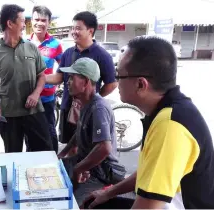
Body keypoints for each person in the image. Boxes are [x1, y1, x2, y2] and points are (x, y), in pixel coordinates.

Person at [81, 36, 214, 209]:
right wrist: (109, 192)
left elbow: (148, 206)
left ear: (140, 84)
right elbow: (150, 173)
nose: (115, 81)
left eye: (119, 75)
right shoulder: (164, 110)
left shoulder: (170, 126)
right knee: (95, 203)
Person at [0, 4, 53, 153]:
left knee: (44, 150)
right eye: (22, 21)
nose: (25, 25)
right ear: (10, 23)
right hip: (9, 115)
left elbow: (42, 76)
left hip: (34, 111)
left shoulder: (31, 47)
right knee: (12, 154)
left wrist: (36, 94)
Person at [46, 11, 117, 148]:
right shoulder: (68, 53)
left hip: (89, 113)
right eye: (73, 28)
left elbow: (112, 84)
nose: (74, 32)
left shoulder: (102, 55)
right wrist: (41, 78)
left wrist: (93, 99)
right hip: (69, 109)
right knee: (70, 147)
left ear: (90, 31)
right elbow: (59, 76)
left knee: (86, 148)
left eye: (78, 28)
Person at [58, 57, 124, 202]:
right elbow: (79, 132)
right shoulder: (84, 102)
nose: (67, 82)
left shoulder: (98, 108)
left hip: (101, 172)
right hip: (86, 162)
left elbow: (104, 148)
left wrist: (78, 169)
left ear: (86, 82)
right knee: (54, 170)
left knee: (75, 201)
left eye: (72, 78)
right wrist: (63, 152)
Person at [26, 5, 63, 153]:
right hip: (27, 99)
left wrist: (43, 79)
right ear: (31, 21)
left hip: (47, 100)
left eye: (44, 20)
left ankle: (53, 162)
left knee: (49, 134)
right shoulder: (23, 43)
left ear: (49, 22)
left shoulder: (55, 45)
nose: (40, 23)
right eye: (37, 19)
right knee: (30, 136)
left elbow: (62, 73)